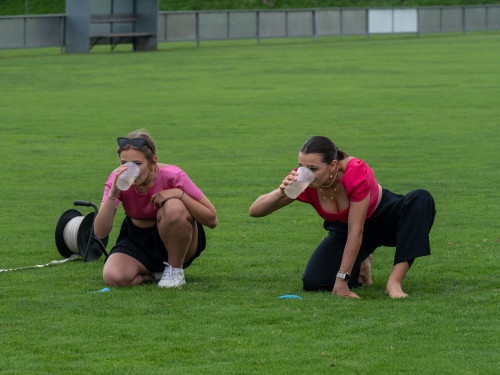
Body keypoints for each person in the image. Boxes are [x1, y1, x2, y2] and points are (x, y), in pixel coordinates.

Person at [249, 136, 435, 298]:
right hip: (344, 230)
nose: (305, 173)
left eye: (313, 168)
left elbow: (357, 229)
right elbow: (255, 211)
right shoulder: (304, 181)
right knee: (314, 282)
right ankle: (361, 264)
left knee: (420, 199)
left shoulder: (355, 171)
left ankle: (394, 283)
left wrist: (342, 282)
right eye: (300, 166)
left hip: (383, 218)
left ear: (332, 165)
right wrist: (281, 192)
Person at [94, 131, 217, 288]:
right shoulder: (117, 178)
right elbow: (100, 232)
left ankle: (174, 271)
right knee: (114, 277)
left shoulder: (173, 175)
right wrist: (112, 194)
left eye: (137, 164)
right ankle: (154, 274)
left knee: (174, 206)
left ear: (153, 162)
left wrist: (180, 194)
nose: (129, 169)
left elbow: (212, 219)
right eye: (124, 163)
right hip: (136, 237)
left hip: (175, 237)